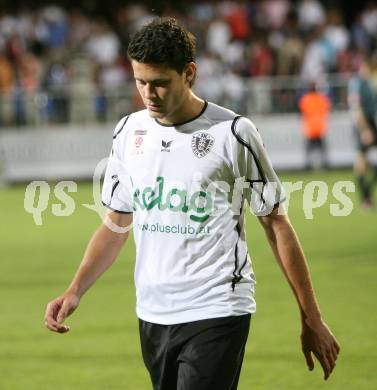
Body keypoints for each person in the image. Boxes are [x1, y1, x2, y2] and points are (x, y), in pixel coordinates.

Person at [44, 18, 340, 390]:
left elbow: (276, 224)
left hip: (217, 306)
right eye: (140, 82)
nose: (149, 93)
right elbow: (117, 221)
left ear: (189, 73)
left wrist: (310, 316)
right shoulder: (128, 132)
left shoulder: (233, 134)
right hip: (152, 311)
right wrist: (75, 290)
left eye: (160, 83)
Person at [348, 57, 377, 209]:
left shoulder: (369, 83)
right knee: (361, 163)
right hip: (363, 126)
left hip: (372, 124)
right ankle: (365, 199)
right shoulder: (357, 83)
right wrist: (365, 130)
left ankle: (367, 198)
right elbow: (357, 109)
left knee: (364, 163)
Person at [299, 82, 331, 170]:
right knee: (322, 148)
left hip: (310, 128)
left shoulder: (305, 99)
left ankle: (308, 165)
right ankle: (325, 165)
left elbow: (303, 111)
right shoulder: (322, 98)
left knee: (309, 149)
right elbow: (327, 108)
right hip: (320, 127)